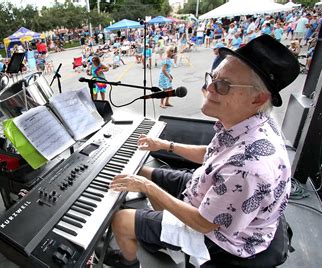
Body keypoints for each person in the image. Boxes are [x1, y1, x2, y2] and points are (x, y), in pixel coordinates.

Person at [106, 35, 299, 267]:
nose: (208, 88)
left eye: (223, 85)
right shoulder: (252, 121)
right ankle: (157, 234)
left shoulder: (250, 167)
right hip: (207, 192)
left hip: (220, 239)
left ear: (258, 98)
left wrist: (147, 188)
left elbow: (204, 223)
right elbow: (213, 153)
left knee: (121, 220)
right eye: (213, 78)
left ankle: (128, 262)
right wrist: (165, 146)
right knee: (143, 171)